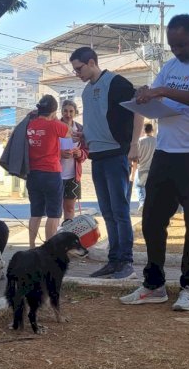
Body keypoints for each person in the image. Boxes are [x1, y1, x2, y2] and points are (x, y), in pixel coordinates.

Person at [120, 14, 189, 312]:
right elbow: (153, 98)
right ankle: (153, 285)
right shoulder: (170, 66)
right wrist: (145, 96)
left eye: (182, 44)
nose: (177, 50)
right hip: (166, 154)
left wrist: (162, 90)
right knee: (152, 220)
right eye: (173, 46)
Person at [71, 47, 143, 280]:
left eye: (79, 68)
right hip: (97, 156)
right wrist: (86, 135)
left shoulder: (116, 83)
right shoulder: (85, 92)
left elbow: (138, 109)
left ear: (92, 62)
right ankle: (114, 261)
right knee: (108, 212)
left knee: (120, 211)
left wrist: (134, 144)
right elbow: (98, 120)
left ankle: (126, 262)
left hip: (116, 155)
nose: (78, 74)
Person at [25, 95, 69, 248]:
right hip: (51, 172)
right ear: (54, 111)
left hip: (32, 173)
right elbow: (67, 133)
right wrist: (54, 118)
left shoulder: (29, 124)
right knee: (54, 213)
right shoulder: (55, 125)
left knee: (35, 213)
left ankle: (31, 246)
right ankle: (49, 248)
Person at [59, 100, 89, 221]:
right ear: (61, 112)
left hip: (73, 175)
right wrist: (59, 153)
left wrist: (79, 153)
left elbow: (87, 150)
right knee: (56, 209)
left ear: (75, 113)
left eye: (71, 111)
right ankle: (55, 235)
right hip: (56, 174)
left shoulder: (80, 129)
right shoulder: (55, 126)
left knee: (70, 208)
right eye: (65, 111)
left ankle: (68, 235)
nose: (68, 114)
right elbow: (47, 149)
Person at [133, 122, 157, 213]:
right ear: (152, 130)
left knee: (139, 186)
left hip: (142, 168)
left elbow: (135, 157)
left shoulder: (140, 141)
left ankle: (142, 202)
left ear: (144, 130)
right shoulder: (156, 141)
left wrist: (133, 171)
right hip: (153, 169)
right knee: (152, 188)